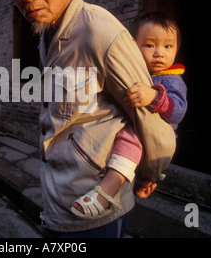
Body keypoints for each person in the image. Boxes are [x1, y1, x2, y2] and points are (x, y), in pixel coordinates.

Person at [3, 0, 176, 237]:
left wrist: (147, 174)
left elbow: (152, 122)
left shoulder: (100, 32)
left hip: (96, 211)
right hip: (57, 200)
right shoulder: (47, 34)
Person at [71, 12, 188, 218]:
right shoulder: (135, 71)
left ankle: (108, 189)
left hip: (160, 134)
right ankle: (144, 183)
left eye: (168, 46)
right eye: (150, 45)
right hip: (143, 130)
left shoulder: (172, 79)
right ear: (134, 46)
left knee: (130, 139)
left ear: (177, 47)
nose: (159, 53)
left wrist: (154, 96)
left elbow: (178, 112)